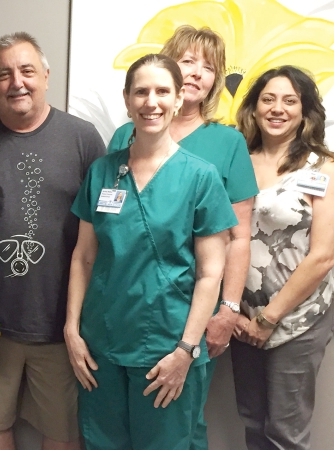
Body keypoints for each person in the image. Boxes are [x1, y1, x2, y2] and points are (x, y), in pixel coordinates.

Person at [65, 54, 236, 449]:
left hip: (167, 346)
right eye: (141, 91)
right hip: (100, 345)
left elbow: (212, 272)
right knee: (103, 443)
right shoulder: (103, 172)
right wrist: (72, 330)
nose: (151, 101)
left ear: (178, 100)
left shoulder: (200, 176)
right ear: (127, 100)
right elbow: (83, 257)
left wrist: (185, 350)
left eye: (162, 91)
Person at [0, 32, 105, 450]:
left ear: (46, 76)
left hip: (61, 322)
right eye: (3, 74)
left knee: (61, 431)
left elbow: (104, 232)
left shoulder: (83, 139)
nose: (16, 81)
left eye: (26, 70)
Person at [107, 28, 258, 448]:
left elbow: (239, 236)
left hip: (188, 313)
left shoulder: (226, 143)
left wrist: (227, 309)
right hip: (124, 314)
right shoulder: (126, 136)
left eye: (209, 67)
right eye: (187, 61)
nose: (196, 74)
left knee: (180, 425)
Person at [231, 66, 334, 450]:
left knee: (285, 433)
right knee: (253, 420)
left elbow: (324, 256)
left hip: (297, 319)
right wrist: (239, 315)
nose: (278, 109)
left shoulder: (323, 166)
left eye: (290, 100)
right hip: (241, 317)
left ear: (305, 111)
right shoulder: (236, 159)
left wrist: (268, 318)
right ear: (254, 108)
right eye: (268, 99)